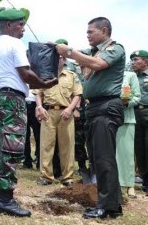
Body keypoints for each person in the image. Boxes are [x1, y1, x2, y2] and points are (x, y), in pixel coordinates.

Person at [0, 8, 57, 217]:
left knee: (0, 146)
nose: (23, 29)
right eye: (20, 24)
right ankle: (5, 199)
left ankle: (0, 195)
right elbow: (26, 74)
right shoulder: (14, 43)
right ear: (8, 25)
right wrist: (45, 83)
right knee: (12, 147)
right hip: (12, 99)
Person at [56, 17, 125, 219]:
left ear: (104, 31)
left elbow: (97, 64)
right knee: (97, 158)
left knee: (104, 159)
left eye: (90, 32)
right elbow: (77, 56)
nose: (87, 35)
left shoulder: (115, 49)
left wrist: (69, 52)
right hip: (94, 108)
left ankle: (107, 206)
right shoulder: (92, 51)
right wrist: (59, 49)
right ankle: (113, 204)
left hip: (107, 106)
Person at [35, 55, 82, 187]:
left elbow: (77, 94)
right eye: (57, 57)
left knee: (67, 146)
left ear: (65, 60)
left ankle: (67, 177)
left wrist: (71, 109)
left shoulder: (71, 75)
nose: (59, 59)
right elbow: (38, 93)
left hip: (66, 113)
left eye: (61, 57)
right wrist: (39, 107)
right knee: (46, 145)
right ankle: (46, 176)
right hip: (48, 113)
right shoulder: (45, 74)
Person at [116, 71, 140, 199]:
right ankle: (114, 184)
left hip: (126, 118)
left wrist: (125, 102)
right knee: (109, 154)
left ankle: (129, 185)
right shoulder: (103, 74)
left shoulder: (130, 75)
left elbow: (137, 97)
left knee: (126, 154)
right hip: (106, 118)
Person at [131, 50, 148, 194]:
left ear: (145, 61)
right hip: (135, 113)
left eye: (136, 60)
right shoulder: (131, 77)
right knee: (139, 149)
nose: (133, 62)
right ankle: (145, 180)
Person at [22, 89, 41, 169]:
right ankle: (27, 161)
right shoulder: (22, 76)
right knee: (25, 135)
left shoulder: (39, 76)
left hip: (36, 105)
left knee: (39, 136)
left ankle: (40, 162)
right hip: (24, 103)